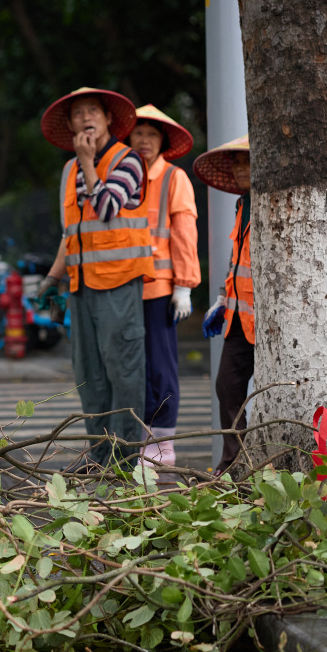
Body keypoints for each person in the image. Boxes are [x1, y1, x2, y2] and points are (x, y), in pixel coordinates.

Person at [34, 87, 153, 470]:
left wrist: (88, 161)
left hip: (119, 283)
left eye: (93, 111)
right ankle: (100, 457)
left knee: (123, 372)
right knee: (90, 376)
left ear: (106, 119)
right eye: (78, 113)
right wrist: (52, 279)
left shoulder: (129, 160)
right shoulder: (69, 170)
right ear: (70, 124)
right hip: (81, 288)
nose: (86, 117)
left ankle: (125, 461)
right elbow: (72, 233)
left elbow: (104, 208)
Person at [127, 105, 200, 467]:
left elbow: (185, 235)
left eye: (151, 135)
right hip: (121, 290)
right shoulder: (120, 177)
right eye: (138, 133)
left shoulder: (174, 179)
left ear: (162, 142)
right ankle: (138, 440)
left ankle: (162, 444)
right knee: (130, 366)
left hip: (158, 291)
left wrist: (184, 286)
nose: (143, 140)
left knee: (160, 367)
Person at [194, 135, 252, 476]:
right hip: (239, 318)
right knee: (227, 386)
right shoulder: (241, 205)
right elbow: (236, 259)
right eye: (237, 163)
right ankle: (234, 466)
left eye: (247, 162)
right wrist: (220, 299)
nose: (241, 169)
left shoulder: (271, 201)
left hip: (268, 322)